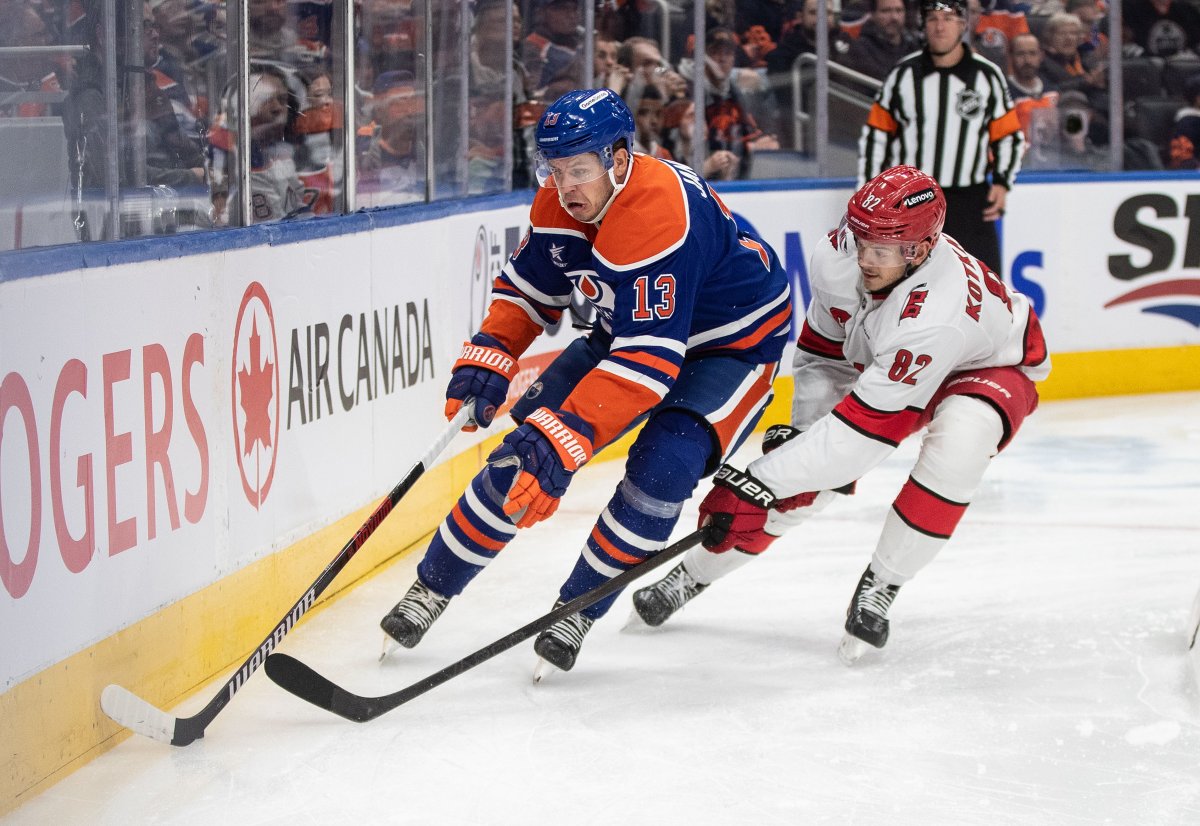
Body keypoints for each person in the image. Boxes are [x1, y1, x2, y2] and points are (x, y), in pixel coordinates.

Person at [378, 88, 792, 677]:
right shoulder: (559, 203)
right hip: (628, 332)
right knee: (522, 458)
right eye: (554, 169)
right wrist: (494, 349)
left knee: (664, 466)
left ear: (619, 160)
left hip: (733, 344)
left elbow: (650, 365)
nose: (565, 185)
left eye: (579, 169)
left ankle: (577, 608)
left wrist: (565, 436)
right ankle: (431, 589)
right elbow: (529, 288)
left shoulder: (658, 214)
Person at [632, 166, 1050, 664]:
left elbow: (859, 441)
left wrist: (759, 478)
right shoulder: (838, 255)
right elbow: (824, 355)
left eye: (883, 249)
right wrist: (796, 450)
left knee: (957, 451)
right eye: (861, 240)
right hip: (896, 360)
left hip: (987, 366)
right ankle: (692, 574)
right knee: (803, 482)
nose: (865, 259)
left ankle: (884, 583)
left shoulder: (938, 314)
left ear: (918, 250)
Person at [858, 0, 1024, 277]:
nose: (939, 26)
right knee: (908, 286)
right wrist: (868, 191)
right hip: (912, 201)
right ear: (923, 24)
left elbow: (1008, 136)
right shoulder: (903, 75)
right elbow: (877, 135)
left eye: (947, 18)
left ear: (963, 24)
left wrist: (1004, 182)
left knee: (984, 286)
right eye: (932, 18)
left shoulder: (986, 76)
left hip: (970, 200)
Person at [842, 0, 921, 81]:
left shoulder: (914, 48)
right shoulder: (859, 49)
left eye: (899, 10)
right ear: (873, 14)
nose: (894, 17)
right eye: (886, 11)